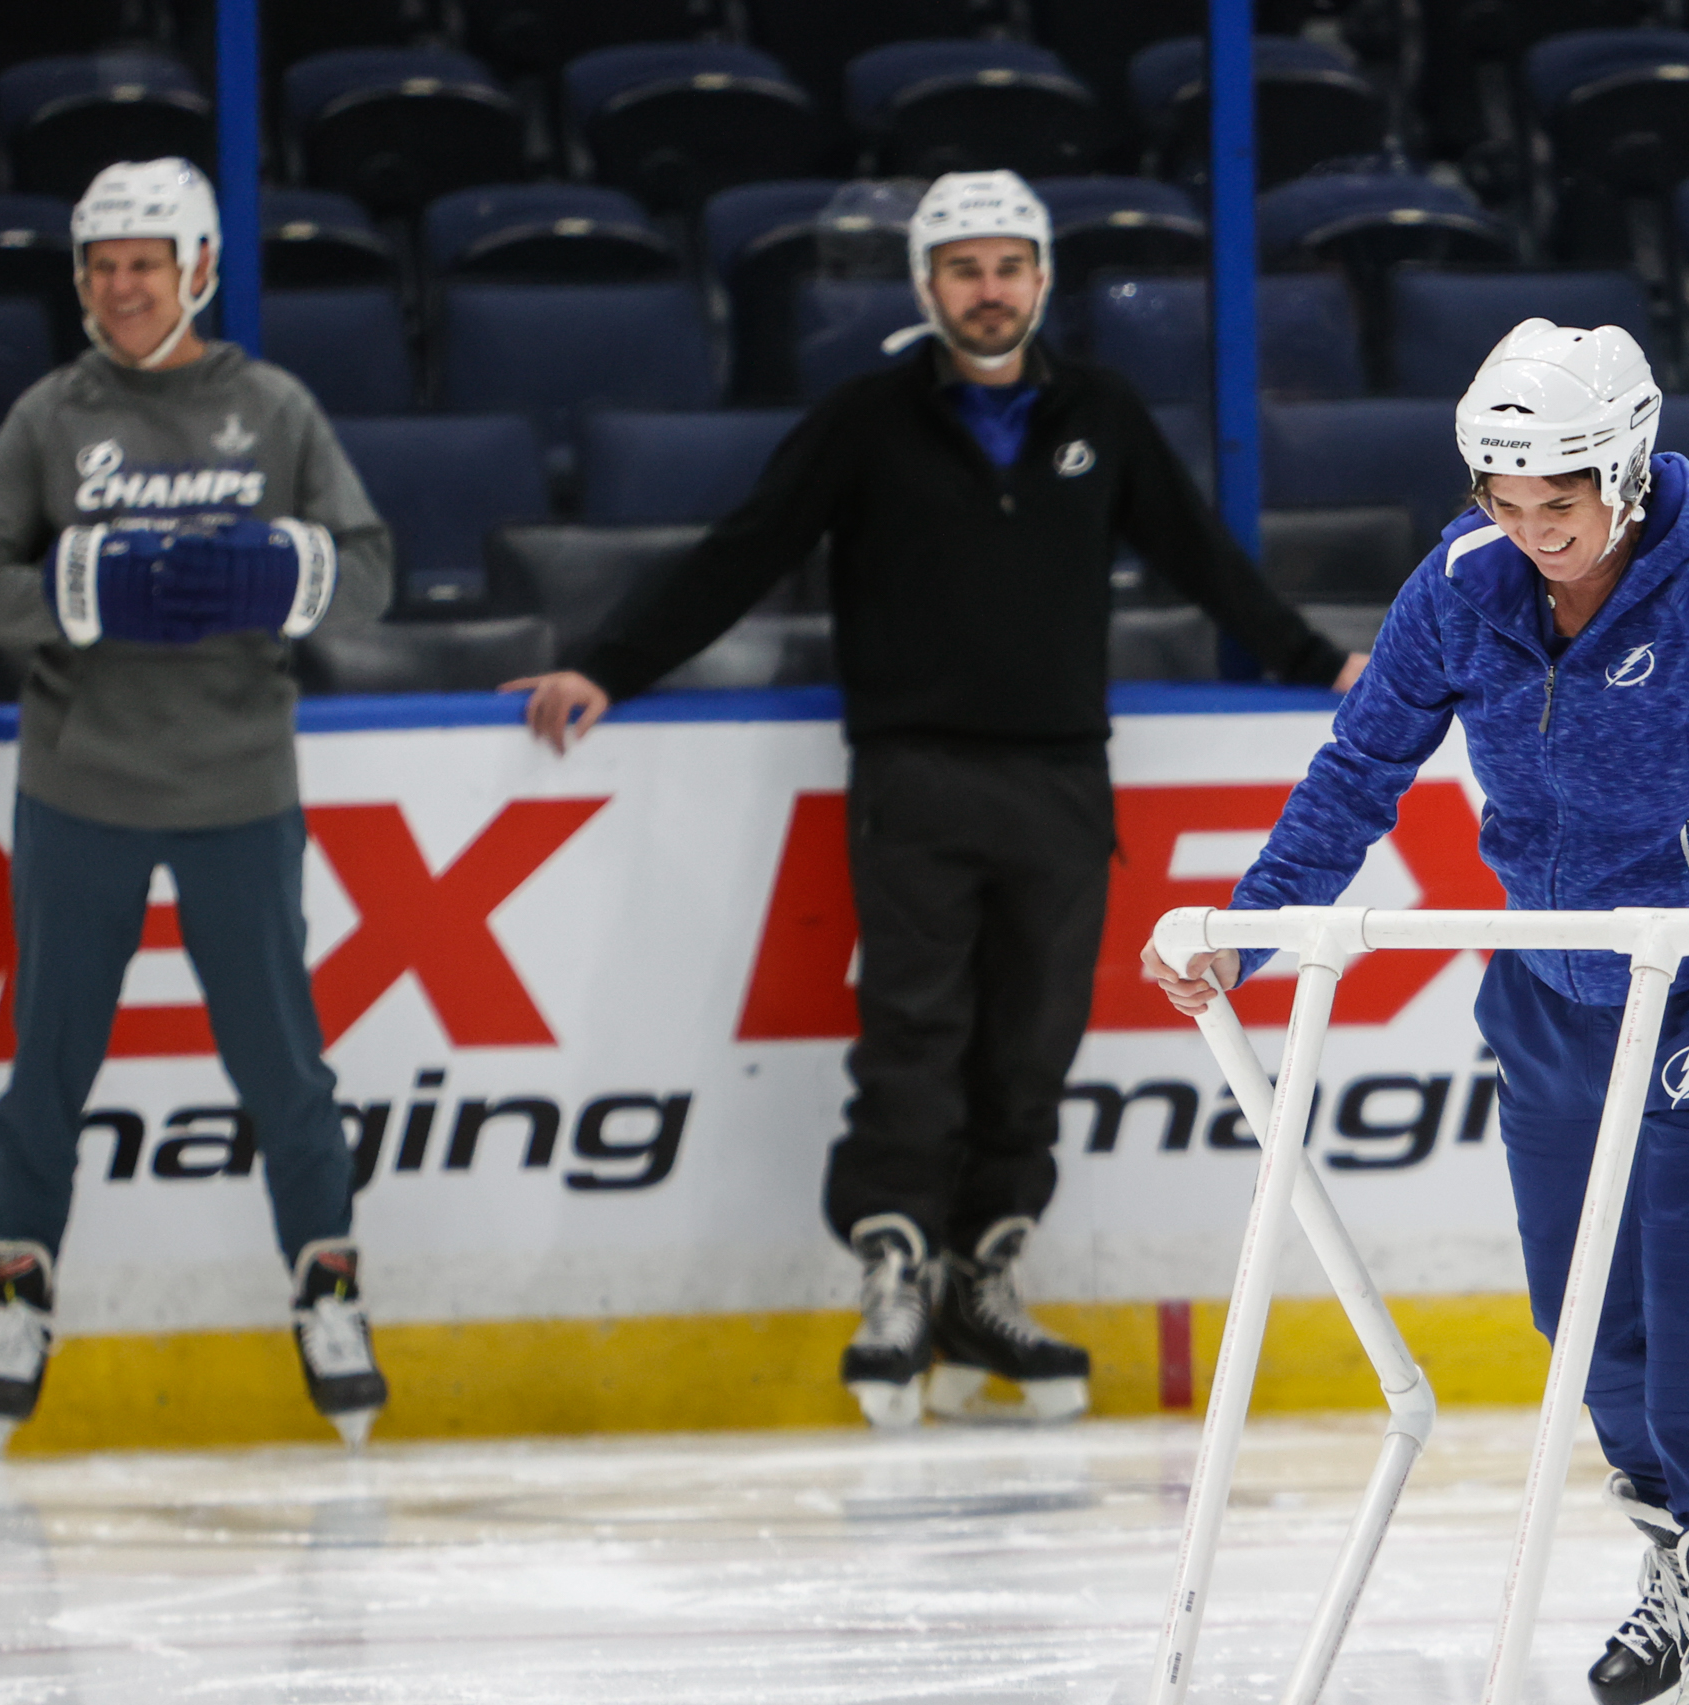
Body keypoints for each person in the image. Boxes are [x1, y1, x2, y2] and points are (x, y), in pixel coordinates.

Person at [1142, 319, 1689, 1705]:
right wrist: (1252, 925)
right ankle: (1676, 1565)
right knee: (1582, 1328)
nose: (1536, 532)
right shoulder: (1463, 588)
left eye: (1561, 502)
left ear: (1625, 474)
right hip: (1553, 991)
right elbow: (1360, 767)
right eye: (1507, 501)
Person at [503, 171, 1367, 1429]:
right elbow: (744, 550)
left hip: (1063, 777)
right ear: (926, 286)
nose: (989, 288)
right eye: (963, 268)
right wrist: (609, 666)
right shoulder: (866, 421)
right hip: (915, 778)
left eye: (1009, 265)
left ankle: (982, 1274)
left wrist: (1313, 661)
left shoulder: (1102, 414)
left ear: (1041, 280)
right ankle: (894, 1270)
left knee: (1031, 1042)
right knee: (912, 1032)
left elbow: (1203, 559)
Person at [0, 158, 396, 1452]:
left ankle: (328, 1284)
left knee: (281, 1064)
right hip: (80, 785)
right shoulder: (50, 415)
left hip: (238, 785)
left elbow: (369, 576)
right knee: (52, 1062)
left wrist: (283, 576)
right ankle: (18, 1288)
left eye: (144, 261)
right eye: (99, 264)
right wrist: (86, 594)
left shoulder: (275, 407)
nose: (120, 285)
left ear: (196, 267)